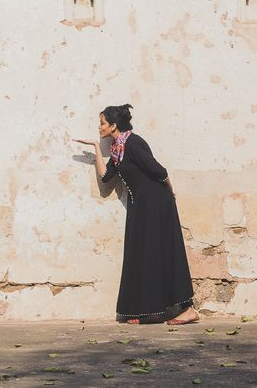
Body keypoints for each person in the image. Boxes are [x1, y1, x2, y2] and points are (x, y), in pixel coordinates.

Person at [75, 104, 199, 325]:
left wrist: (169, 193)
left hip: (156, 204)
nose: (99, 127)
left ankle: (188, 309)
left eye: (102, 123)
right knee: (143, 254)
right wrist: (96, 147)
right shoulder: (117, 149)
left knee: (165, 252)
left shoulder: (133, 143)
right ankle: (150, 310)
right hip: (140, 207)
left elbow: (159, 171)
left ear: (114, 125)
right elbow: (105, 177)